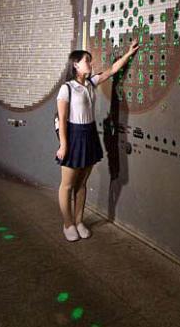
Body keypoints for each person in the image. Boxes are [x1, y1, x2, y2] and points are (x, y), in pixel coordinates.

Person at [56, 42, 138, 241]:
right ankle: (68, 224)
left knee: (82, 184)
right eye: (87, 60)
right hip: (73, 135)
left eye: (90, 61)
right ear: (75, 64)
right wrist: (64, 144)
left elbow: (112, 70)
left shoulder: (91, 83)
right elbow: (63, 118)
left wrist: (129, 53)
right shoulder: (67, 88)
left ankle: (78, 221)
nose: (90, 64)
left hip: (90, 134)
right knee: (67, 186)